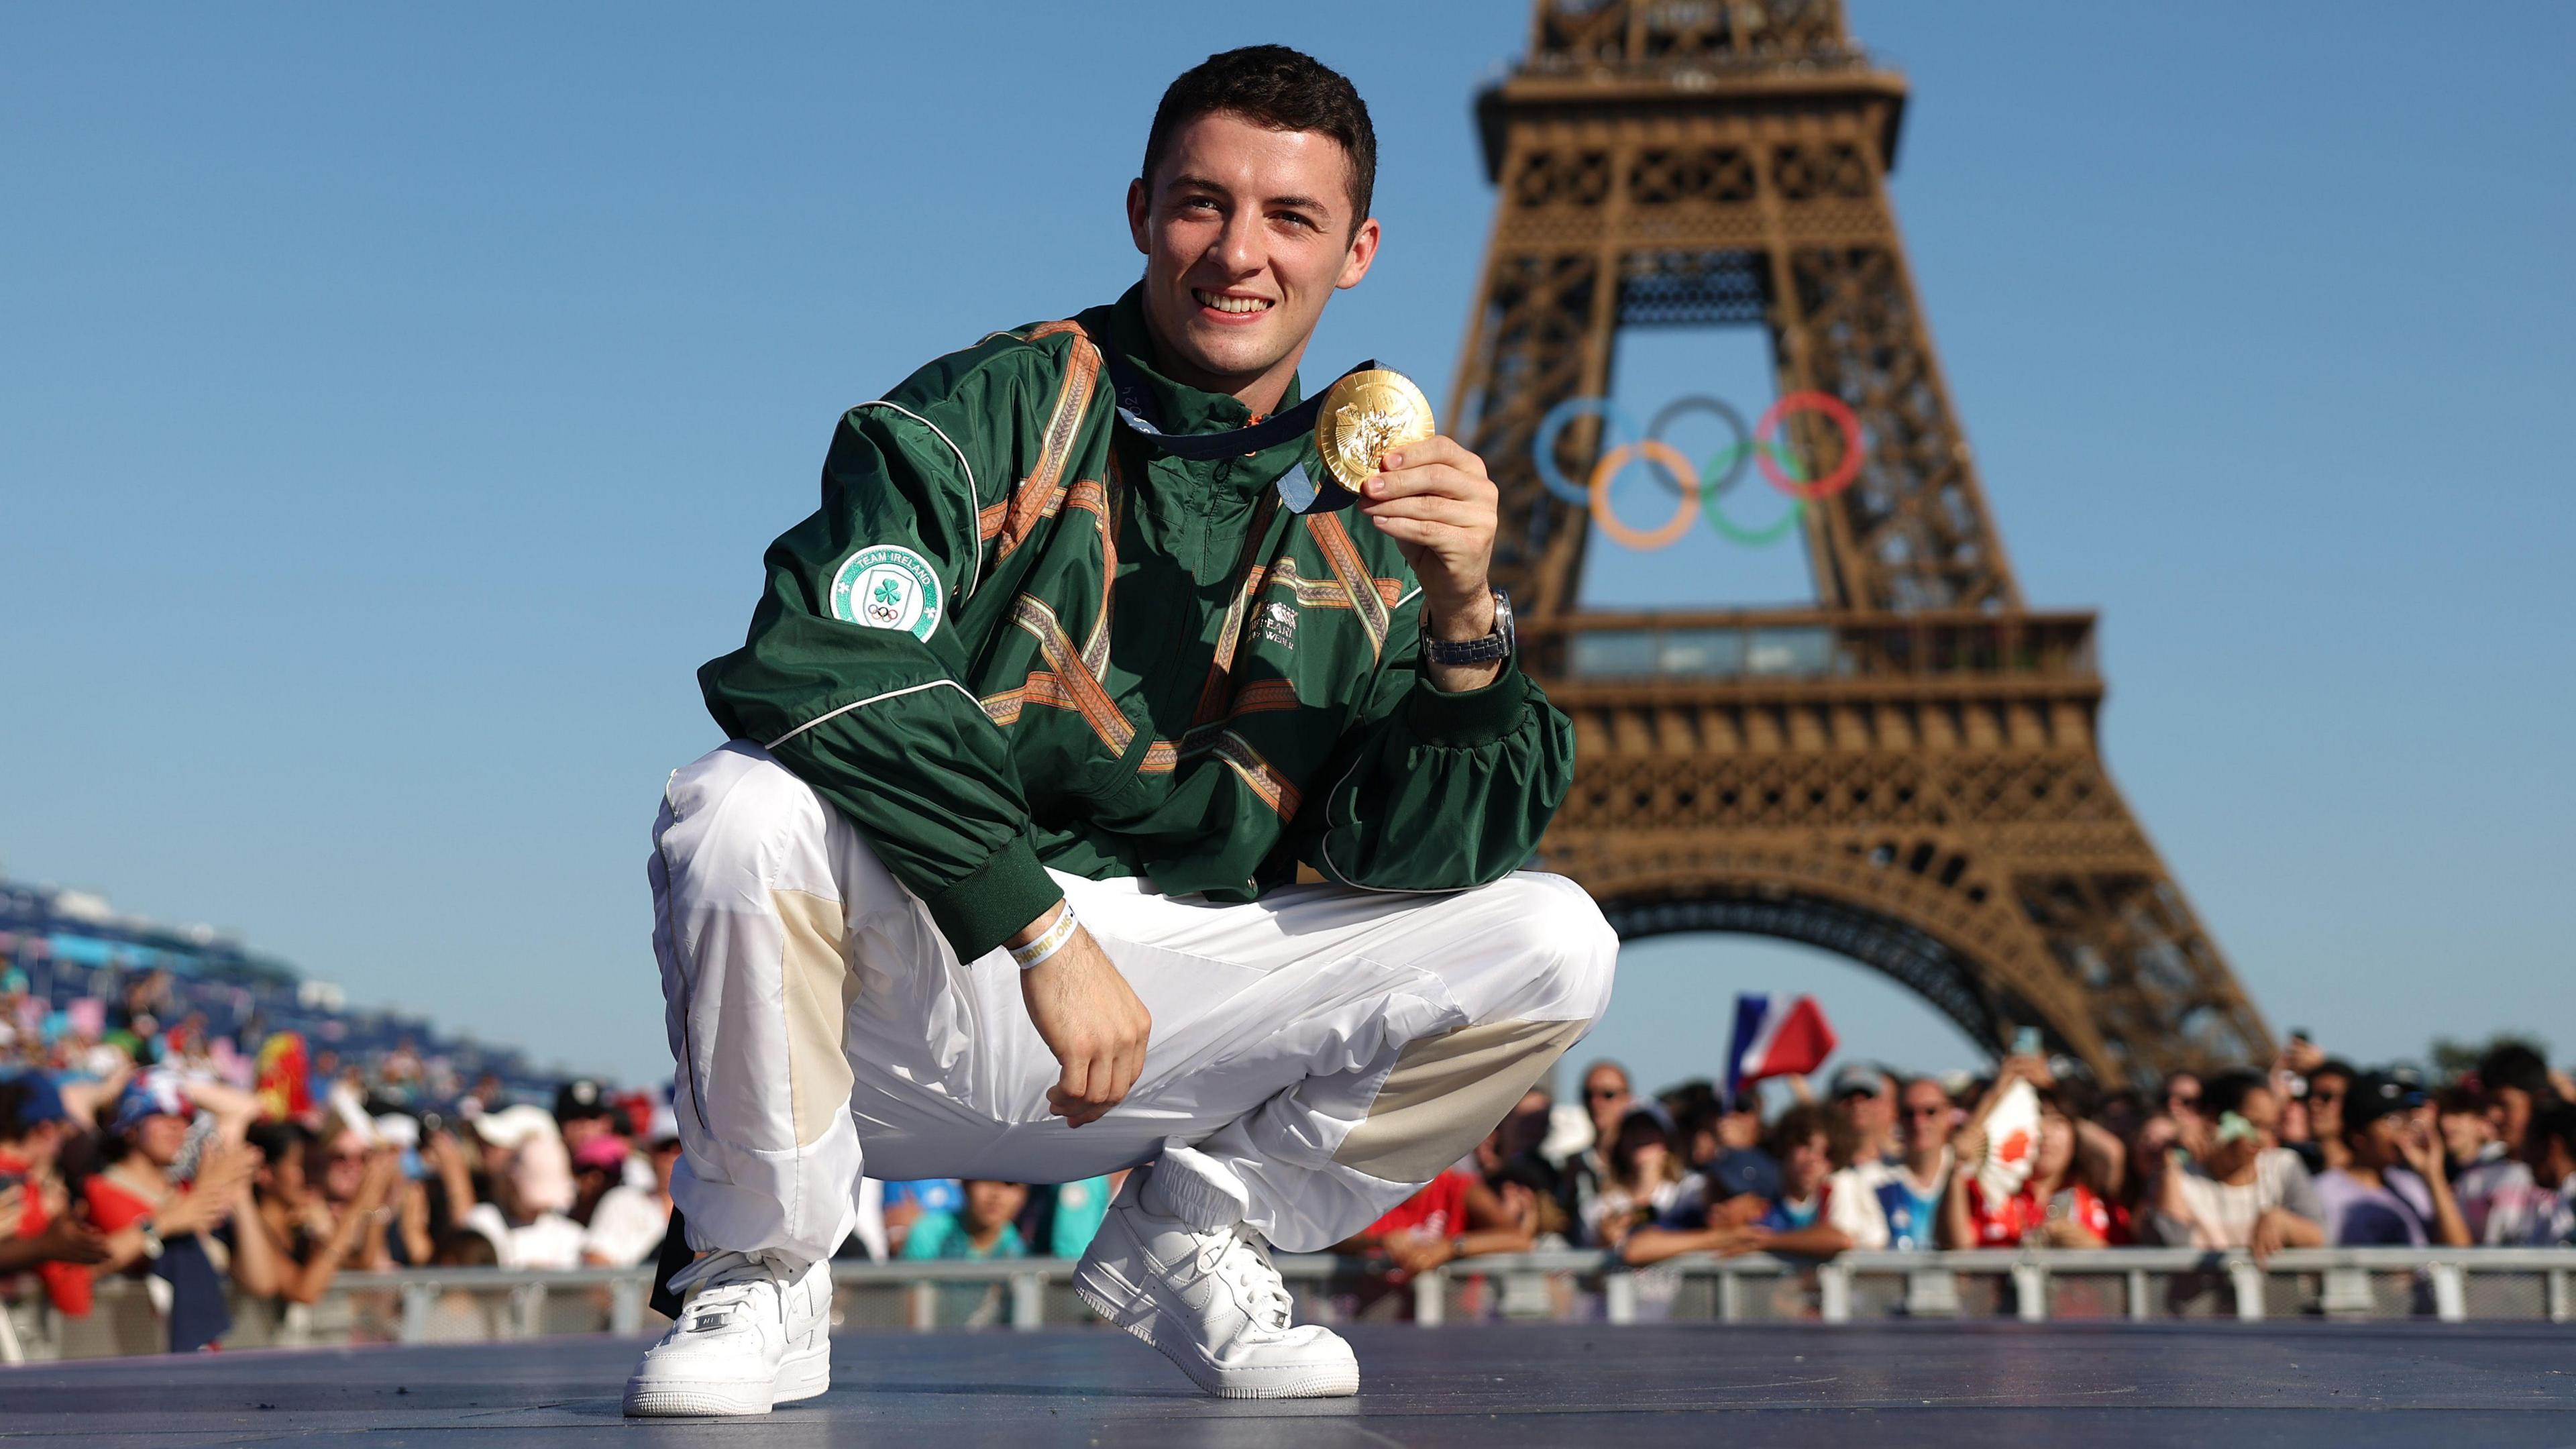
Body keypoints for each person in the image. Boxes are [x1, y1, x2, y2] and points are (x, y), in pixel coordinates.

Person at [623, 44, 1615, 1417]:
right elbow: (822, 658)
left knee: (1556, 938)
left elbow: (1418, 853)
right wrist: (1034, 923)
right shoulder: (999, 406)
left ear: (1360, 249)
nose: (1238, 253)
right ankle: (766, 1265)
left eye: (1291, 218)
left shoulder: (1384, 516)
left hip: (1174, 1017)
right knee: (738, 803)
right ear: (1142, 208)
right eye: (1203, 204)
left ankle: (1198, 1229)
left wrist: (1463, 624)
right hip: (931, 980)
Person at [2143, 1068, 2324, 1260]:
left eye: (2270, 1128)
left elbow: (2321, 1236)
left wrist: (2284, 1223)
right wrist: (2171, 1163)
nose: (2262, 1138)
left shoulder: (2283, 1166)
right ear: (2214, 1118)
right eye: (2253, 1124)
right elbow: (2173, 1242)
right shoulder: (2179, 1174)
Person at [2313, 1072, 2470, 1247]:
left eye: (2405, 1119)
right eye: (2392, 1120)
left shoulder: (2412, 1186)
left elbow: (2460, 1250)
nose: (2404, 1129)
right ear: (2358, 1136)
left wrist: (2433, 1174)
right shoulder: (2322, 1191)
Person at [2457, 1042, 2559, 1240]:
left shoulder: (2561, 1171)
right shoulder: (2474, 1179)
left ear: (2539, 1101)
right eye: (2488, 1104)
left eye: (2504, 1104)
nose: (2493, 1115)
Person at [1843, 1075, 1953, 1251]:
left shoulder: (1968, 1174)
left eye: (1930, 1111)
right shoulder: (1870, 1179)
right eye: (1908, 1114)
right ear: (1897, 1117)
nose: (1919, 1122)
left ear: (1949, 1115)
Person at [1618, 1149, 1782, 1266]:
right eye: (1714, 1187)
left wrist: (1766, 1242)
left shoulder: (1778, 1227)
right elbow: (1634, 1249)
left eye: (1727, 1194)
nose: (1715, 1203)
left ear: (1760, 1208)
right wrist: (1715, 1239)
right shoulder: (1692, 1220)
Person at [1578, 1103, 1686, 1250]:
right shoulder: (1598, 1209)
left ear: (1667, 1142)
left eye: (1650, 1130)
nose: (1640, 1135)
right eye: (1632, 1130)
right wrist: (1603, 1241)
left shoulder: (1684, 1198)